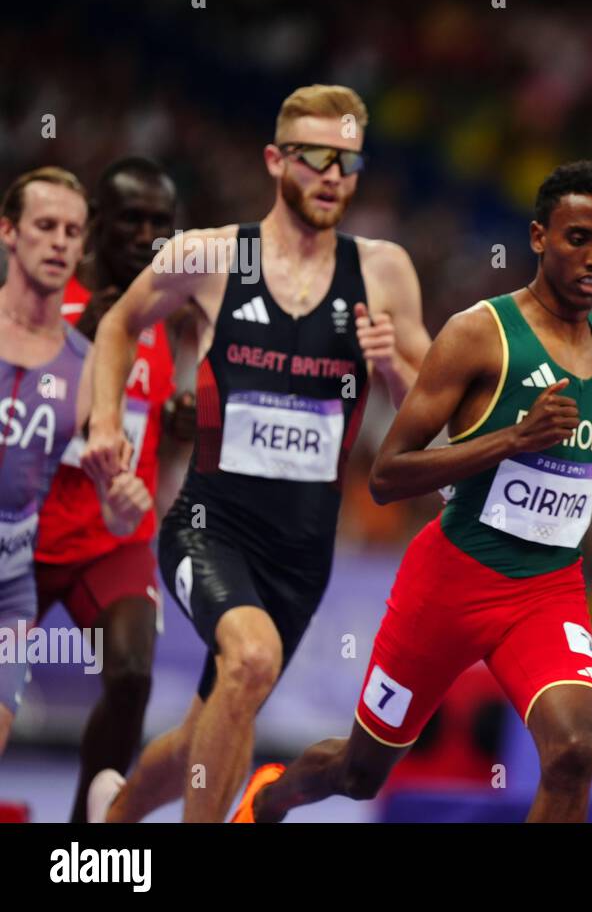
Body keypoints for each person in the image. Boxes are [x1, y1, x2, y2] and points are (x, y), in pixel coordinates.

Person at [236, 160, 592, 824]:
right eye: (578, 238)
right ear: (539, 236)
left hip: (548, 589)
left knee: (574, 750)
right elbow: (387, 474)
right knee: (360, 772)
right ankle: (271, 797)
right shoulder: (477, 334)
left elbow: (580, 445)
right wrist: (513, 439)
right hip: (450, 583)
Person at [81, 85, 432, 823]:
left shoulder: (383, 272)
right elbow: (118, 324)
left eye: (347, 161)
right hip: (210, 526)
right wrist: (106, 422)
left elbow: (430, 411)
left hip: (303, 552)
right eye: (314, 158)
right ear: (275, 160)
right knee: (250, 659)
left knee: (210, 725)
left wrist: (392, 367)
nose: (332, 176)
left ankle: (113, 821)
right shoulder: (211, 254)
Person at [34, 157, 195, 822]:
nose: (146, 236)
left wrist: (179, 423)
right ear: (96, 223)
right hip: (26, 532)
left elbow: (149, 429)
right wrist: (78, 345)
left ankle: (84, 836)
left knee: (131, 676)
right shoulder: (44, 300)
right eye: (131, 219)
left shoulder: (163, 317)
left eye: (160, 223)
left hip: (112, 541)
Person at [0, 167, 151, 759]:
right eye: (45, 226)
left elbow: (113, 504)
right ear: (9, 232)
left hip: (12, 590)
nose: (59, 242)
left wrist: (122, 506)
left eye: (72, 231)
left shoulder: (92, 367)